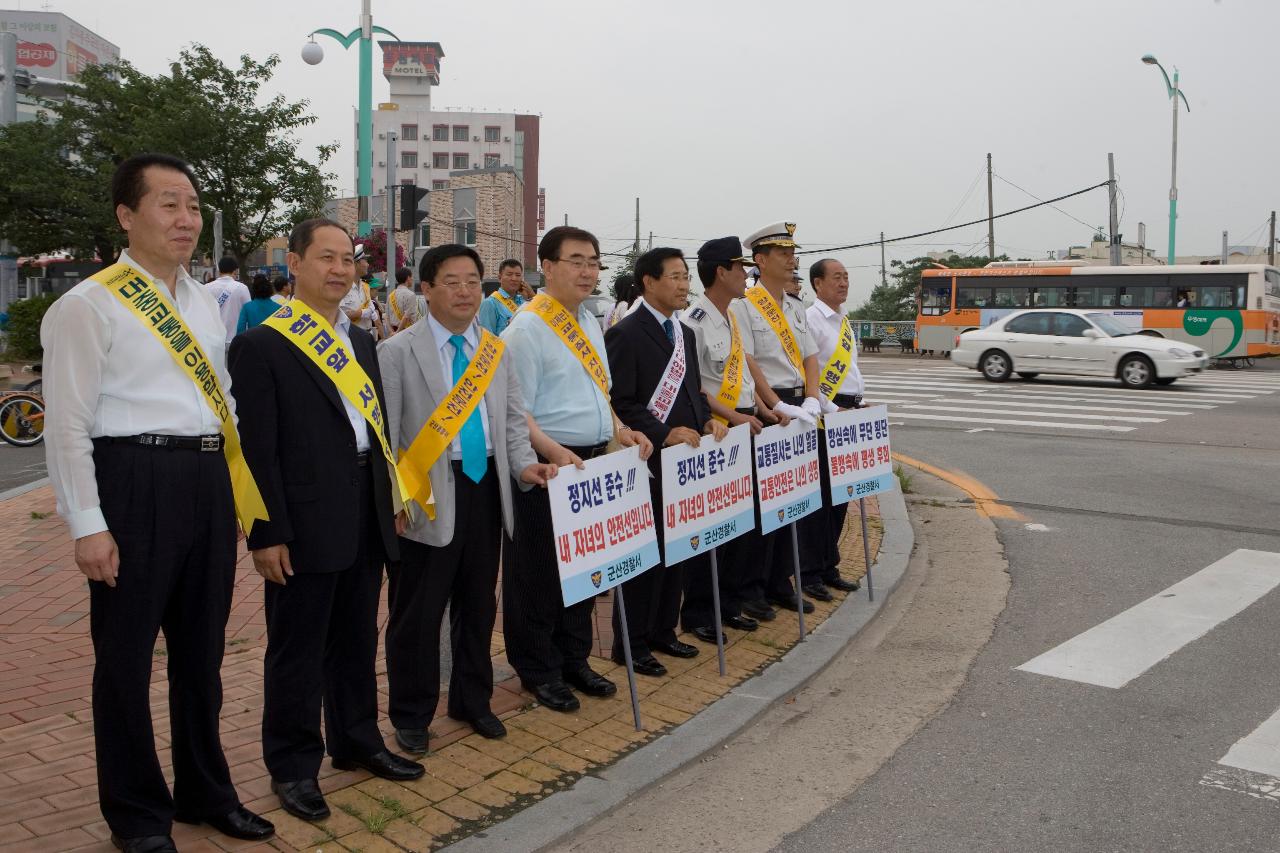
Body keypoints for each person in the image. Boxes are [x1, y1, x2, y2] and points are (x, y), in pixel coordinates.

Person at [40, 153, 274, 852]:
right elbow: (68, 425)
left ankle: (207, 791)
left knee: (201, 654)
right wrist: (88, 523)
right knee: (125, 658)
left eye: (194, 206)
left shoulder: (204, 299)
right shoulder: (87, 304)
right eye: (168, 204)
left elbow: (223, 404)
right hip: (132, 479)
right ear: (126, 214)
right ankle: (138, 813)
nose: (185, 219)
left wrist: (236, 493)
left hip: (205, 482)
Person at [229, 218, 423, 824]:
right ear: (294, 262)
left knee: (355, 639)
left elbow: (375, 429)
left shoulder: (361, 341)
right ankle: (292, 766)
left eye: (348, 259)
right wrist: (266, 533)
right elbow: (255, 449)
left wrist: (391, 493)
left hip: (364, 511)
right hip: (303, 522)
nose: (340, 269)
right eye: (326, 258)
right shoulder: (261, 344)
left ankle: (357, 740)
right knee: (297, 649)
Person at [379, 244, 557, 753]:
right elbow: (388, 434)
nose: (464, 291)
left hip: (485, 490)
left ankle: (472, 700)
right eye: (451, 281)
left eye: (472, 281)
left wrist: (526, 464)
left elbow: (511, 422)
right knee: (418, 611)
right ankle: (411, 713)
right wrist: (394, 500)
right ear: (426, 289)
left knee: (479, 603)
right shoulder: (397, 352)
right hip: (427, 496)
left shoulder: (494, 351)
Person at [501, 225, 653, 712]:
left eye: (594, 262)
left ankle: (574, 658)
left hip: (591, 459)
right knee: (539, 573)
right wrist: (549, 450)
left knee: (585, 567)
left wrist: (621, 429)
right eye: (576, 261)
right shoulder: (526, 328)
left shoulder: (589, 321)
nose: (588, 271)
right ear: (546, 266)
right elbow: (513, 408)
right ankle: (538, 669)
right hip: (547, 465)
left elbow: (599, 393)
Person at [605, 248, 725, 675]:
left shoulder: (685, 333)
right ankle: (630, 642)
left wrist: (708, 421)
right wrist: (663, 433)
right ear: (649, 282)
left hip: (687, 461)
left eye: (685, 276)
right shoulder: (627, 332)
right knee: (647, 553)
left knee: (677, 547)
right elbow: (622, 400)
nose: (682, 285)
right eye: (674, 276)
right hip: (651, 458)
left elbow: (693, 390)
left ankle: (662, 631)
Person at [681, 236, 783, 639]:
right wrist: (736, 416)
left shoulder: (733, 316)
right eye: (741, 268)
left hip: (744, 426)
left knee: (738, 524)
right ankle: (700, 614)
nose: (747, 275)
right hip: (717, 434)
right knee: (711, 528)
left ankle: (729, 602)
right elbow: (695, 387)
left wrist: (761, 407)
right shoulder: (695, 322)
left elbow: (740, 375)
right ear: (720, 272)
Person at [740, 221, 823, 616]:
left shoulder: (795, 306)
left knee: (792, 497)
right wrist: (775, 405)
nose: (793, 260)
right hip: (770, 410)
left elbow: (810, 356)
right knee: (763, 503)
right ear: (760, 259)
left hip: (798, 409)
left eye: (793, 253)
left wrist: (810, 398)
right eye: (783, 253)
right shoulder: (744, 303)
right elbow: (748, 361)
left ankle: (780, 580)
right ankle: (753, 587)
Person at [803, 258, 865, 598]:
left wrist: (860, 401)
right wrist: (831, 407)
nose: (843, 283)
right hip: (827, 413)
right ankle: (811, 572)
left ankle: (829, 565)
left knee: (841, 496)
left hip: (849, 411)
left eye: (846, 277)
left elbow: (851, 368)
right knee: (822, 497)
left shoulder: (843, 320)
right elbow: (808, 371)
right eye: (836, 277)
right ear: (818, 283)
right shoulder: (811, 319)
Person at [476, 258, 528, 336]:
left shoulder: (524, 301)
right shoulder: (490, 303)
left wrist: (530, 297)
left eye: (518, 275)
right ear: (499, 278)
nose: (514, 279)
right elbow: (487, 339)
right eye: (509, 274)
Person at [207, 256, 250, 348]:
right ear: (235, 271)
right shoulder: (242, 288)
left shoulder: (206, 288)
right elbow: (248, 313)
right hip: (236, 339)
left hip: (213, 340)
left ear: (219, 270)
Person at [340, 242, 375, 334]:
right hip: (351, 336)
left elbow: (371, 310)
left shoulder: (364, 287)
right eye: (365, 261)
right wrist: (362, 313)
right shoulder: (342, 287)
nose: (367, 265)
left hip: (368, 334)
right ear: (355, 264)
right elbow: (339, 315)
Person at [386, 266, 422, 334]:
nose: (412, 279)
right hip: (407, 332)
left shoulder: (390, 296)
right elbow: (406, 317)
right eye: (412, 277)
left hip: (393, 332)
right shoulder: (411, 295)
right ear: (408, 278)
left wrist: (392, 332)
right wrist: (398, 332)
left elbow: (386, 317)